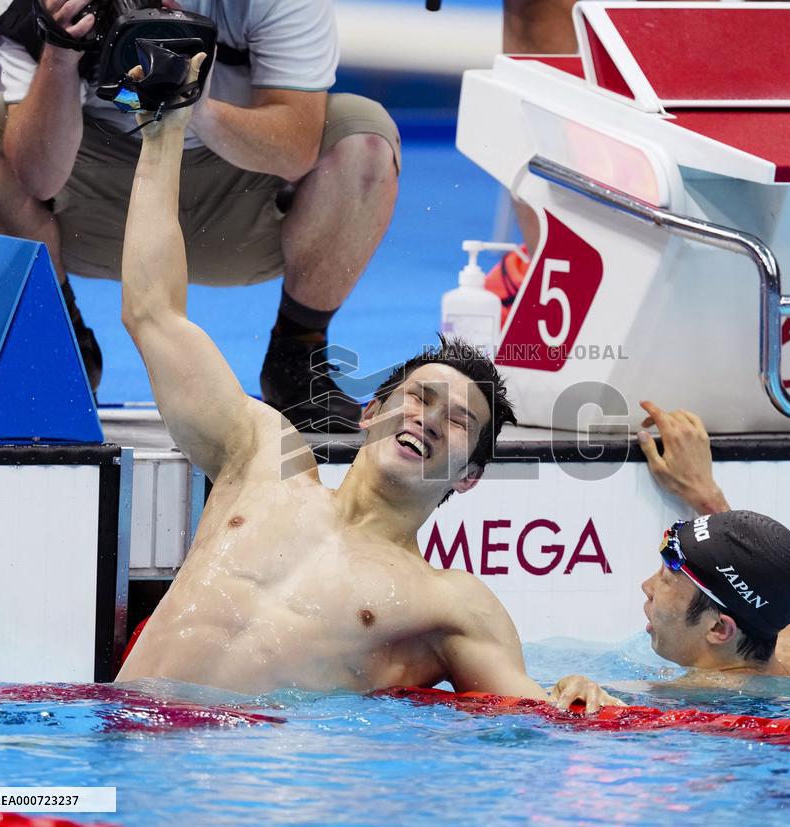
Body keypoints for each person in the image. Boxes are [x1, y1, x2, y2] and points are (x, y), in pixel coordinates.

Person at [112, 52, 616, 711]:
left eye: (458, 421)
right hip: (120, 740)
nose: (428, 419)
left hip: (246, 770)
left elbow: (538, 718)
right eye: (418, 398)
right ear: (371, 411)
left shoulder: (447, 603)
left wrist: (575, 696)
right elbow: (152, 313)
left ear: (469, 476)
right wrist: (163, 133)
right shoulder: (259, 458)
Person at [0, 0, 399, 429]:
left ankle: (297, 355)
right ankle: (59, 347)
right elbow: (38, 179)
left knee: (365, 139)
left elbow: (295, 151)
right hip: (93, 210)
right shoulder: (47, 7)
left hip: (237, 209)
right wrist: (60, 51)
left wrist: (196, 105)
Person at [551, 402, 790, 703]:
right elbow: (767, 575)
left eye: (666, 580)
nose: (647, 587)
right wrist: (707, 496)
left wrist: (577, 691)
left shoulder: (662, 704)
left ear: (719, 628)